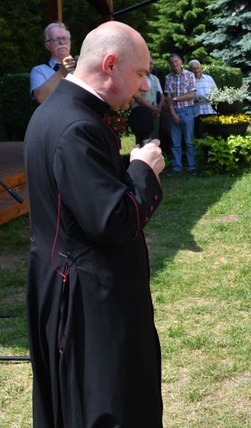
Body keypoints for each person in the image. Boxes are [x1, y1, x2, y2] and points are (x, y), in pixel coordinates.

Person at [24, 21, 165, 426]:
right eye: (139, 74)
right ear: (109, 64)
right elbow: (113, 221)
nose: (143, 86)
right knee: (106, 408)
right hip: (89, 307)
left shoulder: (60, 112)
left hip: (71, 292)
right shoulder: (76, 127)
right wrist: (142, 172)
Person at [165, 53, 197, 174]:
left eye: (176, 61)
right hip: (174, 112)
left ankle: (192, 167)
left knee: (189, 141)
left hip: (187, 111)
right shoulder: (168, 78)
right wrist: (173, 113)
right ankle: (177, 168)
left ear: (181, 61)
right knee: (175, 143)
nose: (174, 64)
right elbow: (168, 98)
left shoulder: (189, 75)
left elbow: (191, 95)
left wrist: (175, 99)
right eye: (172, 62)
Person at [29, 22, 77, 103]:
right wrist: (61, 72)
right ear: (47, 45)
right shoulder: (39, 71)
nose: (62, 42)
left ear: (70, 42)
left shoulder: (81, 67)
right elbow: (41, 98)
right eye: (57, 39)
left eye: (65, 38)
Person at [132, 59, 164, 140]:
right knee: (143, 140)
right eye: (148, 63)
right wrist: (154, 109)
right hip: (142, 114)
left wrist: (159, 107)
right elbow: (138, 98)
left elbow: (161, 94)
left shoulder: (155, 79)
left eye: (151, 63)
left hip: (155, 114)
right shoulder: (137, 77)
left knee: (154, 138)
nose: (150, 66)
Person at [188, 59, 217, 139]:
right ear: (190, 70)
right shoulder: (189, 81)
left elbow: (216, 93)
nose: (196, 70)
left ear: (201, 68)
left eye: (198, 68)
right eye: (194, 69)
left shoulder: (209, 79)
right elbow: (186, 98)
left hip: (210, 111)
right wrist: (195, 99)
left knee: (212, 135)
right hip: (197, 113)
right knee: (200, 136)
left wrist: (212, 98)